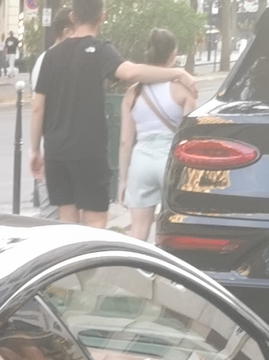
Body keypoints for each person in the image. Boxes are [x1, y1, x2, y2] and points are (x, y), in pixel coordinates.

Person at [31, 0, 191, 228]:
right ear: (102, 17)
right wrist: (177, 73)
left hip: (56, 152)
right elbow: (130, 72)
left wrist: (35, 149)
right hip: (89, 150)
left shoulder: (51, 56)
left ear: (73, 18)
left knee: (66, 219)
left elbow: (38, 107)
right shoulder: (100, 49)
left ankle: (72, 262)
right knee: (95, 218)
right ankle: (91, 265)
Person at [117, 28, 195, 242]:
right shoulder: (183, 90)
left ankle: (137, 271)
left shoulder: (133, 92)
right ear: (173, 54)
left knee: (138, 229)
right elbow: (188, 136)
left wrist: (123, 180)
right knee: (173, 226)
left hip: (141, 160)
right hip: (170, 161)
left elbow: (125, 141)